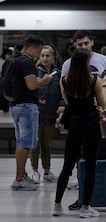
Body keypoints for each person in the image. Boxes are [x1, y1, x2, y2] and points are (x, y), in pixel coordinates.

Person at [52, 48, 106, 218]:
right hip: (91, 125)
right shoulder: (95, 80)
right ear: (85, 63)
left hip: (74, 125)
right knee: (90, 166)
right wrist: (104, 85)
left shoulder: (64, 80)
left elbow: (69, 103)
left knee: (67, 166)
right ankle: (85, 208)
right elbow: (102, 103)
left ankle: (57, 205)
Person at [10, 35, 53, 191]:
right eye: (39, 51)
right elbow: (32, 85)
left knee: (21, 142)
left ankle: (22, 174)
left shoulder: (13, 60)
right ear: (32, 48)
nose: (39, 55)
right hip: (27, 106)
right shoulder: (27, 62)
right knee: (25, 144)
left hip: (14, 105)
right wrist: (44, 80)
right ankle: (19, 179)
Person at [30, 45, 65, 183]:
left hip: (51, 114)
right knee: (35, 144)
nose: (45, 58)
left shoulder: (58, 73)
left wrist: (62, 104)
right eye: (42, 55)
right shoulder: (34, 72)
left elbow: (63, 92)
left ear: (53, 57)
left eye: (48, 56)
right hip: (36, 114)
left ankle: (46, 171)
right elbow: (31, 90)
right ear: (39, 57)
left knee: (46, 144)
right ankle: (34, 171)